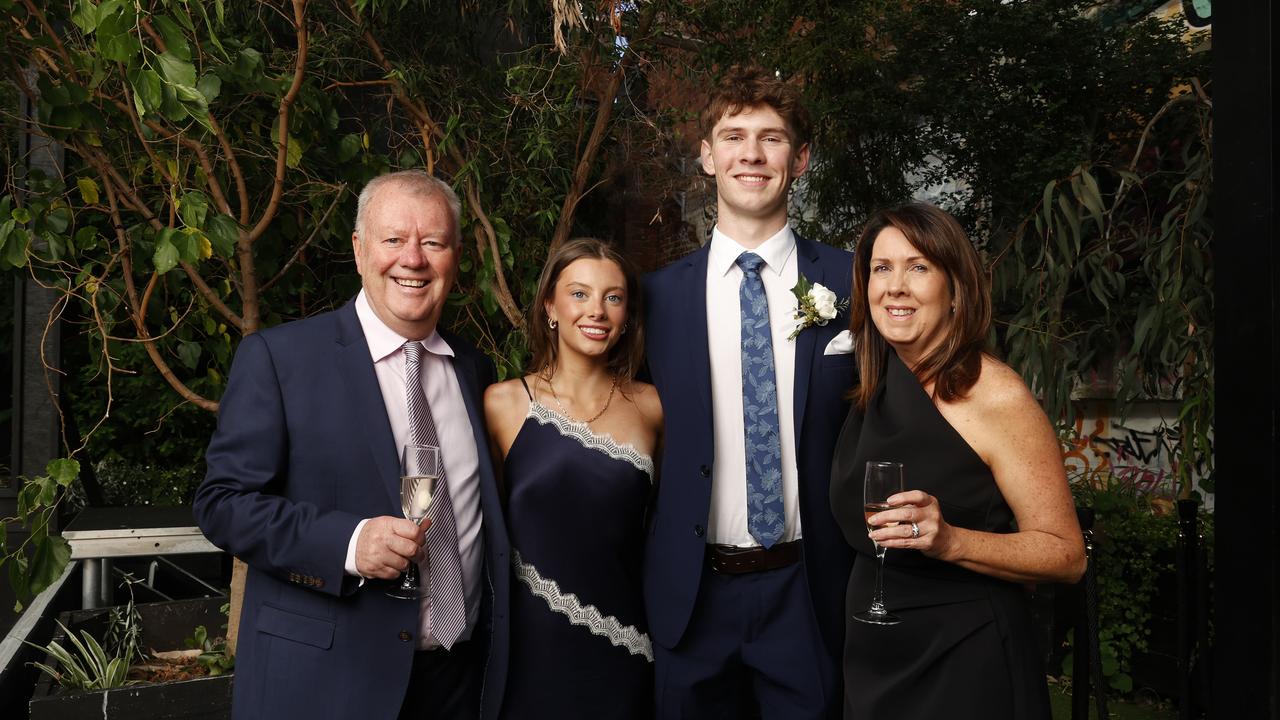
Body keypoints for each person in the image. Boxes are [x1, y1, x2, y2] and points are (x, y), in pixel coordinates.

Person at [194, 170, 510, 720]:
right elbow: (222, 504)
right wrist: (348, 542)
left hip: (458, 683)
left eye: (432, 242)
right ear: (361, 251)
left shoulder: (474, 370)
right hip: (328, 685)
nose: (412, 259)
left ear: (455, 257)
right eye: (393, 240)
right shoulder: (280, 359)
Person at [643, 66, 856, 718]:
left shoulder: (856, 284)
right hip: (691, 598)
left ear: (801, 158)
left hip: (810, 592)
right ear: (707, 155)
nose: (752, 154)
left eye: (772, 137)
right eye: (733, 136)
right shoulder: (655, 298)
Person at [830, 202, 1087, 719]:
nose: (895, 287)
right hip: (876, 659)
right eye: (882, 268)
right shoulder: (873, 387)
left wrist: (950, 540)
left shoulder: (996, 396)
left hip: (965, 659)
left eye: (918, 267)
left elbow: (1067, 556)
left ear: (955, 291)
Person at [484, 237, 662, 718]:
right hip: (529, 651)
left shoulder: (652, 406)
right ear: (550, 307)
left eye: (614, 297)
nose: (597, 311)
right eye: (579, 294)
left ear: (627, 314)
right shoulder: (502, 403)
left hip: (624, 647)